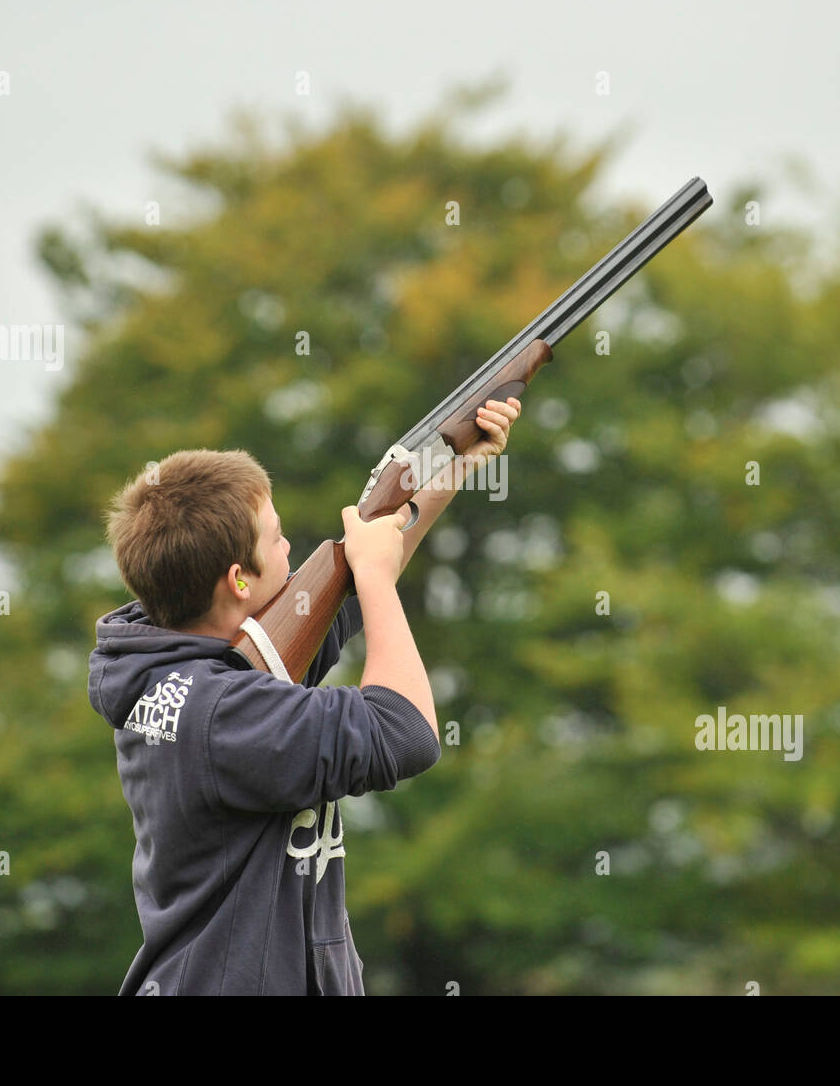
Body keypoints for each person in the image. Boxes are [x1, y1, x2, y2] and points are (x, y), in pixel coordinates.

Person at [88, 398, 521, 994]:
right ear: (238, 579)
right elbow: (406, 732)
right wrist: (372, 578)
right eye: (277, 538)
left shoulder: (190, 672)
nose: (292, 549)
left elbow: (333, 604)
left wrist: (450, 471)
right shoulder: (225, 712)